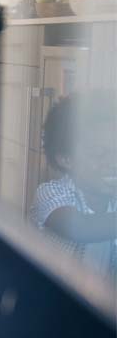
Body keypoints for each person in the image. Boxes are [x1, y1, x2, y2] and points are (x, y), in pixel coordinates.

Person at [29, 90, 117, 281]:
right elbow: (78, 227)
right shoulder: (49, 194)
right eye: (99, 153)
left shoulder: (113, 200)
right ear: (65, 159)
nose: (113, 162)